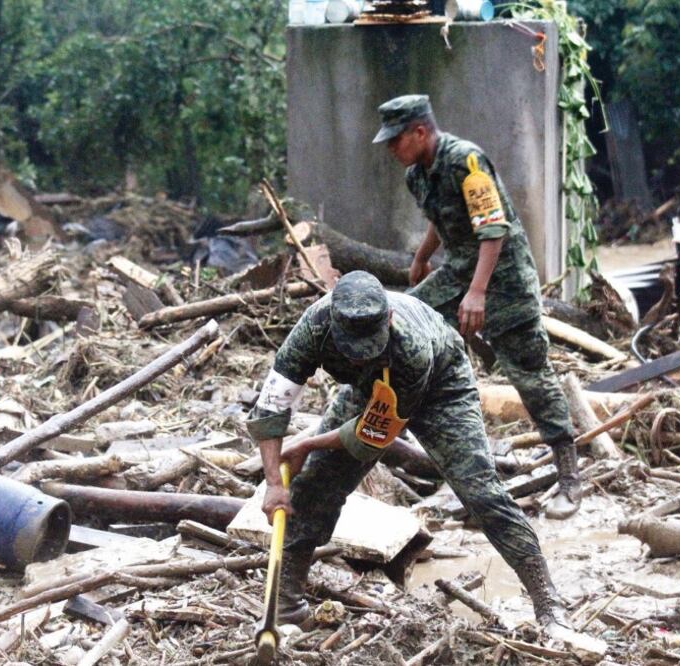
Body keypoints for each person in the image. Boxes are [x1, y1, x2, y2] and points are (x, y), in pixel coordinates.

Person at [246, 271, 569, 631]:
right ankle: (287, 606)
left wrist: (307, 443)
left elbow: (374, 434)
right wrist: (274, 483)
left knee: (482, 494)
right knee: (314, 482)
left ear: (388, 319)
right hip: (369, 390)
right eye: (350, 349)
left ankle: (549, 604)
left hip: (442, 387)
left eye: (367, 349)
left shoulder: (410, 346)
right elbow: (272, 406)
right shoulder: (312, 327)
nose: (357, 359)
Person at [373, 93, 581, 520]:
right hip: (460, 271)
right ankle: (460, 473)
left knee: (529, 373)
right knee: (404, 328)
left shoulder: (466, 161)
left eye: (396, 139)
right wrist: (421, 257)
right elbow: (441, 218)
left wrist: (478, 292)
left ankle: (569, 478)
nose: (391, 148)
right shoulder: (417, 175)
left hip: (504, 278)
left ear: (420, 132)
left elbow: (493, 229)